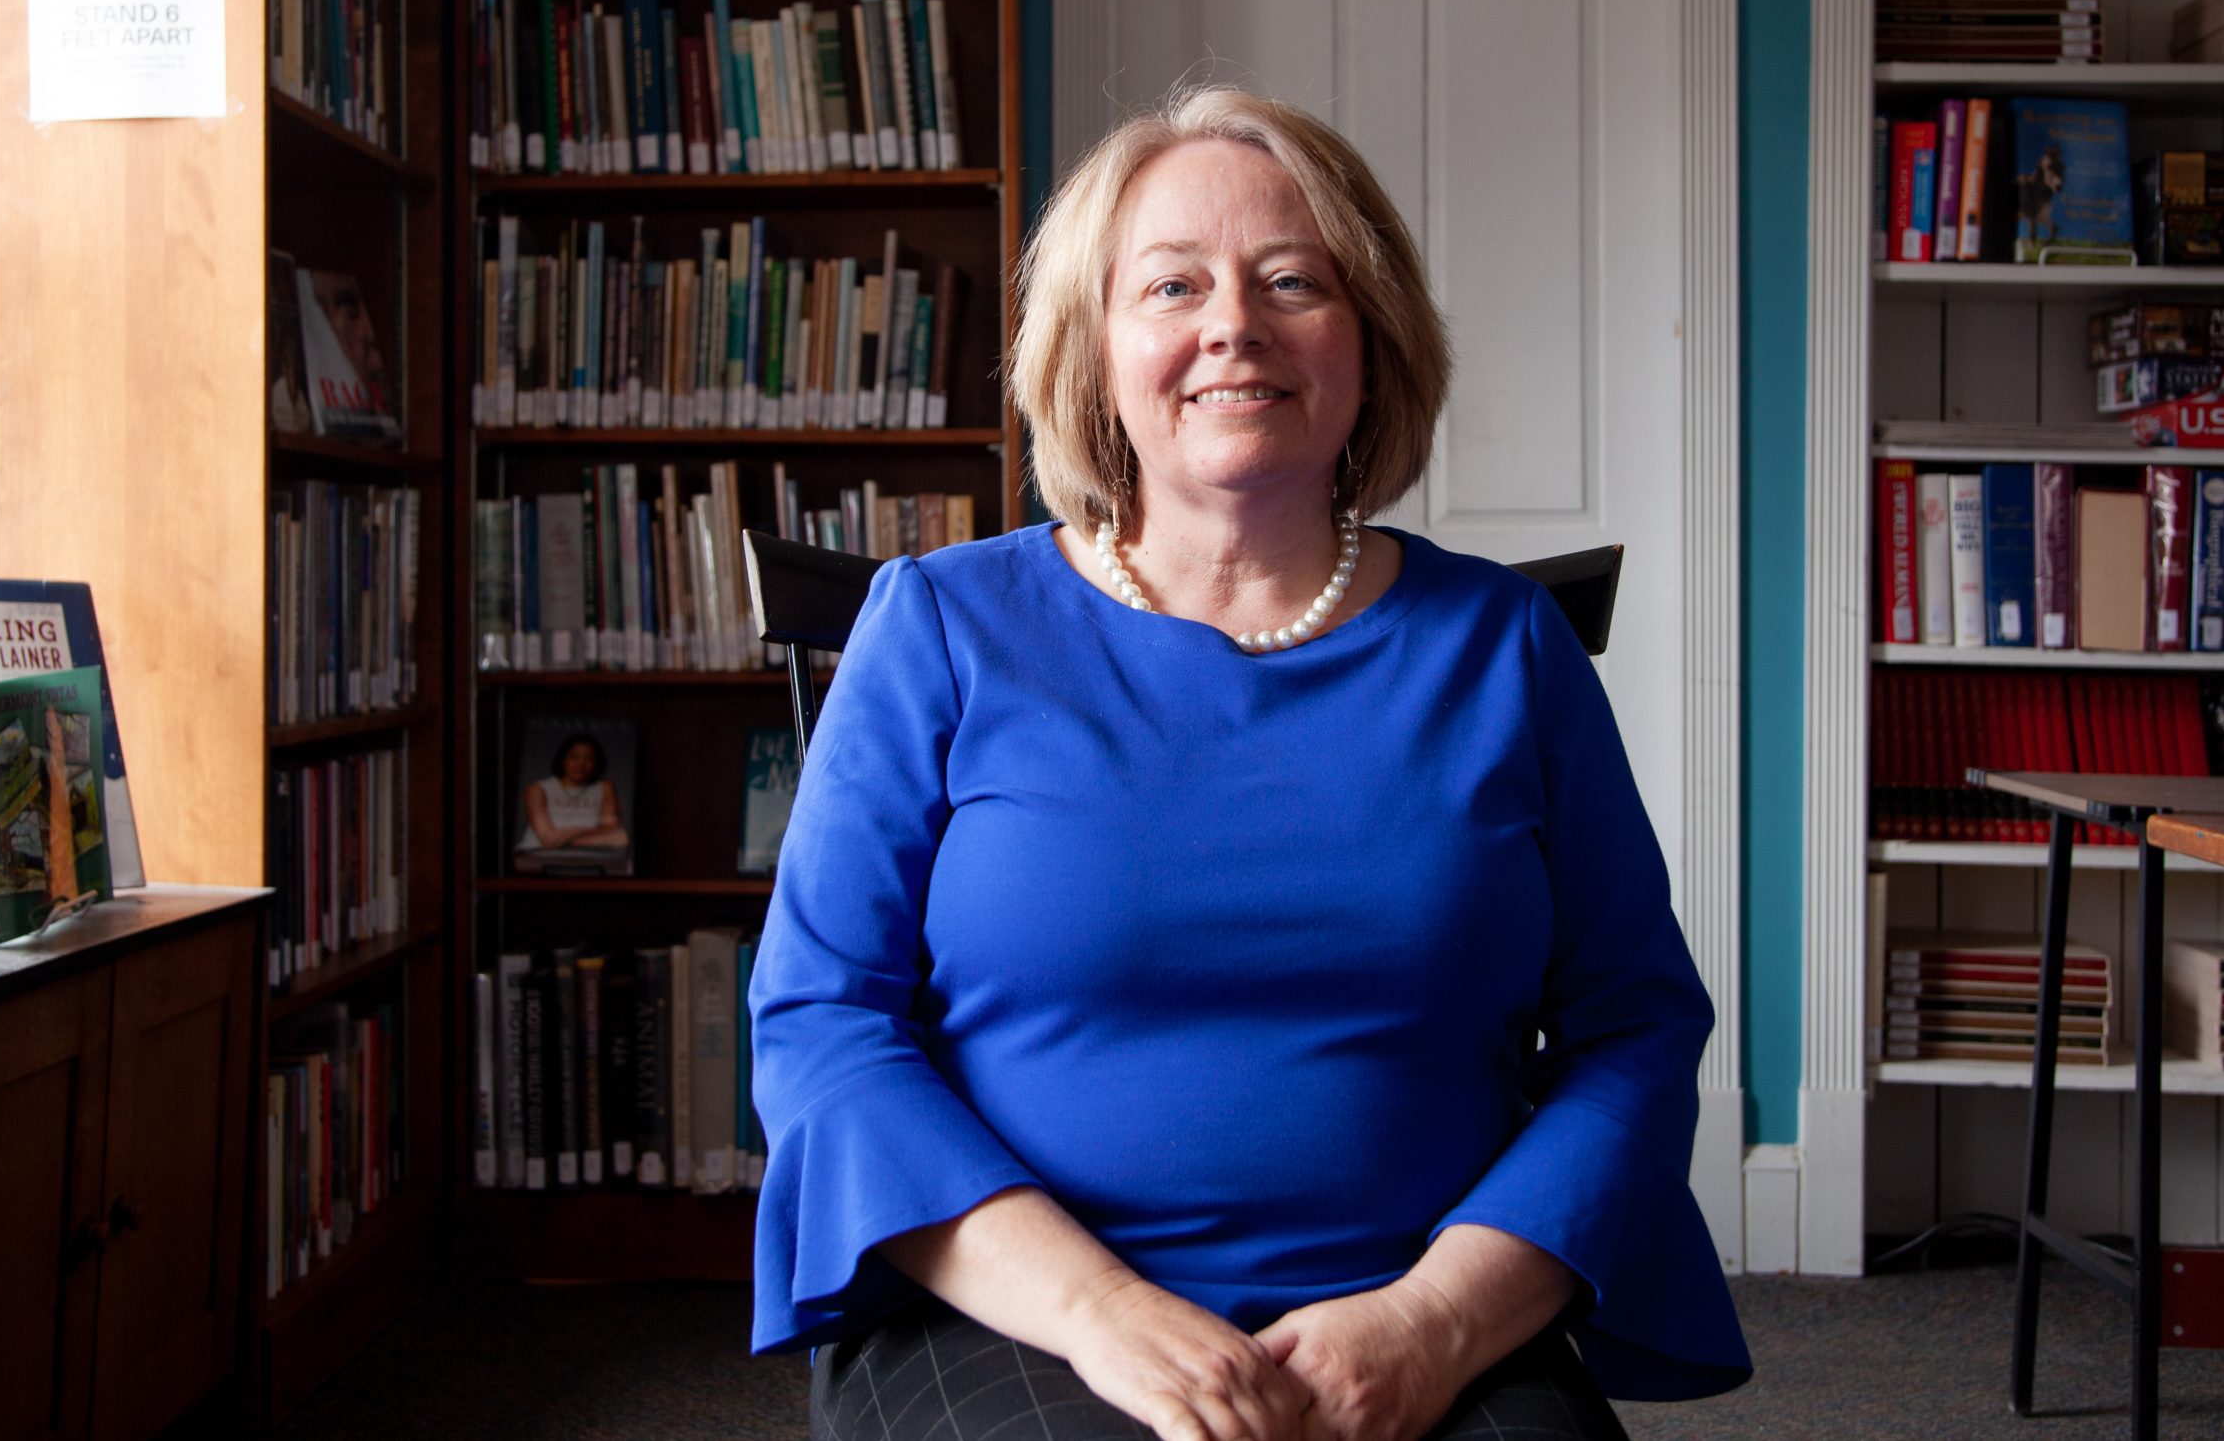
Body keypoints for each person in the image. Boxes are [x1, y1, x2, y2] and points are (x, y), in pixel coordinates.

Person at [749, 87, 1750, 1441]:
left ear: (1370, 340)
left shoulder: (1508, 647)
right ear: (1096, 351)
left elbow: (1635, 1025)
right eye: (1172, 284)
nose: (1235, 323)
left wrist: (1437, 1316)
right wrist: (1102, 1308)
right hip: (1018, 1302)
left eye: (1293, 279)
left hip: (1418, 1298)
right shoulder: (939, 625)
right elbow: (822, 1021)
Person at [515, 732, 626, 855]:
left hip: (586, 857)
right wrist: (595, 833)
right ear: (563, 759)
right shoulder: (537, 789)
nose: (581, 764)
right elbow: (547, 839)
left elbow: (612, 825)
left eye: (589, 758)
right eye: (574, 757)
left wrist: (563, 835)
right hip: (537, 854)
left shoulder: (605, 786)